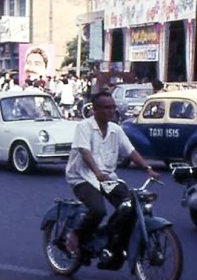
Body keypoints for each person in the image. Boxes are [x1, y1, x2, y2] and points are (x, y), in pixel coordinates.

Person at [64, 91, 159, 256]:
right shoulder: (84, 127)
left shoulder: (116, 130)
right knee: (98, 210)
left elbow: (130, 151)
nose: (111, 111)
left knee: (129, 207)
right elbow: (85, 153)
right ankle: (76, 234)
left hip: (107, 178)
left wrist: (147, 168)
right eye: (106, 108)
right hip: (82, 177)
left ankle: (110, 238)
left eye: (113, 107)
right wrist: (98, 173)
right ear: (95, 109)